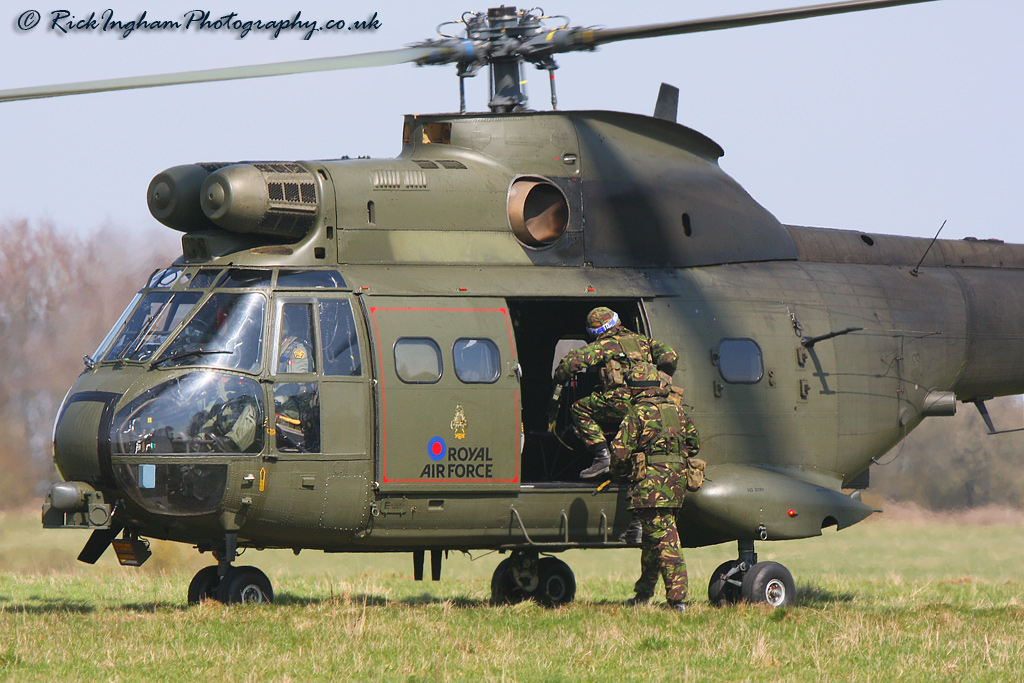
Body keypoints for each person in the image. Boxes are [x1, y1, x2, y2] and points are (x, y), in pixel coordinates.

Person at [609, 362, 700, 611]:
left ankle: (678, 600)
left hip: (651, 487)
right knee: (652, 542)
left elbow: (618, 452)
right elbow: (694, 443)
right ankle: (643, 594)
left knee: (666, 541)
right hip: (676, 485)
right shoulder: (677, 411)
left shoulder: (638, 413)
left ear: (636, 389)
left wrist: (620, 473)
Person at [552, 306, 678, 478]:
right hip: (651, 402)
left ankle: (602, 457)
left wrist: (558, 379)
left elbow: (571, 364)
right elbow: (670, 356)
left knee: (579, 408)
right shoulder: (643, 341)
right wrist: (662, 378)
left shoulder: (603, 345)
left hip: (623, 401)